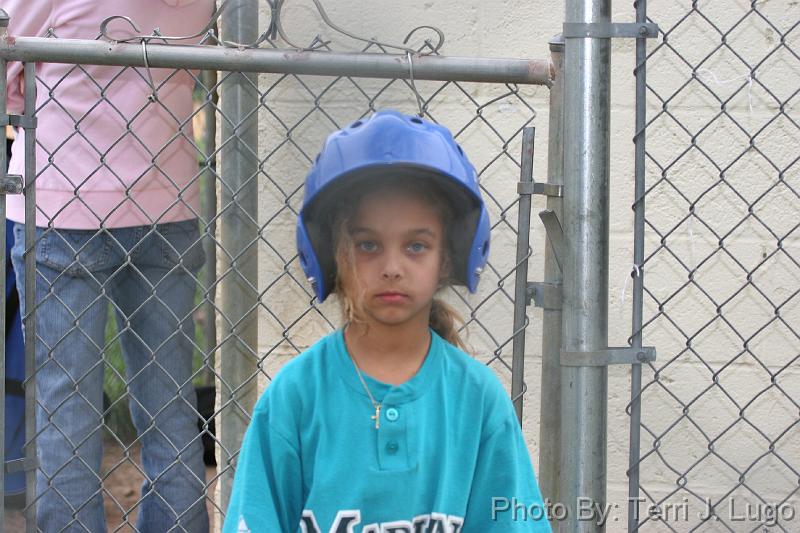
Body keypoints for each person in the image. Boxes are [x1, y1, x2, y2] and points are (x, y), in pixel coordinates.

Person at [223, 110, 551, 532]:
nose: (392, 268)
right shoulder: (296, 396)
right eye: (368, 245)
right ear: (334, 256)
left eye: (416, 246)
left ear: (447, 258)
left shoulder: (478, 400)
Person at [5, 1, 213, 531]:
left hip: (60, 201)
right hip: (167, 200)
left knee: (65, 413)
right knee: (170, 407)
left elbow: (12, 57)